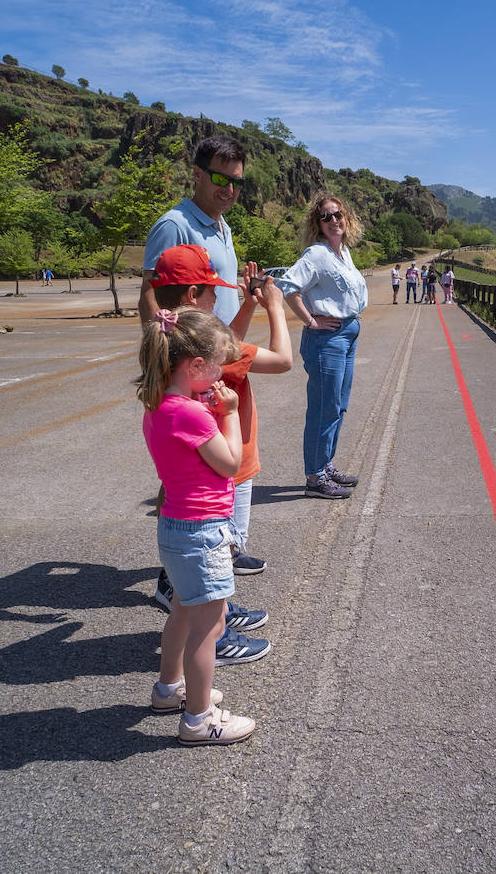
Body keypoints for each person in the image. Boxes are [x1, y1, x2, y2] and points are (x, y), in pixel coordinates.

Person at [146, 244, 286, 667]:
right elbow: (280, 359)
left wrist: (246, 305)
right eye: (212, 292)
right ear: (193, 296)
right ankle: (216, 631)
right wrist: (275, 307)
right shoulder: (202, 358)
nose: (216, 300)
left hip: (185, 495)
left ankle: (203, 606)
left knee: (199, 574)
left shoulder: (173, 348)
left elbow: (227, 341)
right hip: (223, 469)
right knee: (219, 553)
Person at [137, 306, 256, 746]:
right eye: (219, 364)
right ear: (196, 366)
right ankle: (199, 719)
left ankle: (169, 689)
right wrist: (229, 411)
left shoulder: (163, 405)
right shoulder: (194, 414)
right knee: (211, 625)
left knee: (184, 611)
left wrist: (206, 406)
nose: (223, 372)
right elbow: (229, 464)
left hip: (177, 528)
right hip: (203, 530)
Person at [278, 194, 368, 499]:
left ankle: (325, 464)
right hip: (326, 339)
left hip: (347, 335)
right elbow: (289, 287)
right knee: (323, 407)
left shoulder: (342, 253)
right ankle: (315, 478)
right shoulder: (316, 254)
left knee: (338, 406)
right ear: (317, 224)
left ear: (347, 218)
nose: (334, 221)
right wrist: (311, 321)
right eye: (326, 217)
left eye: (338, 214)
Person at [139, 134, 246, 327]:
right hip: (195, 353)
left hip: (225, 350)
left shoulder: (224, 227)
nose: (230, 190)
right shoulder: (174, 225)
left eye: (236, 182)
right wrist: (162, 352)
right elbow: (150, 295)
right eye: (220, 179)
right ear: (197, 174)